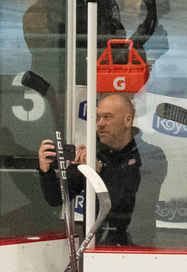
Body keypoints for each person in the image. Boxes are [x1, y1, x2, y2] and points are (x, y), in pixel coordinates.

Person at [35, 92, 165, 247]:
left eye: (108, 117)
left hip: (137, 246)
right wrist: (45, 170)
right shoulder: (92, 154)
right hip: (96, 247)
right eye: (98, 117)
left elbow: (130, 198)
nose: (100, 123)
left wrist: (100, 170)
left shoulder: (151, 154)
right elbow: (56, 198)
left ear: (128, 120)